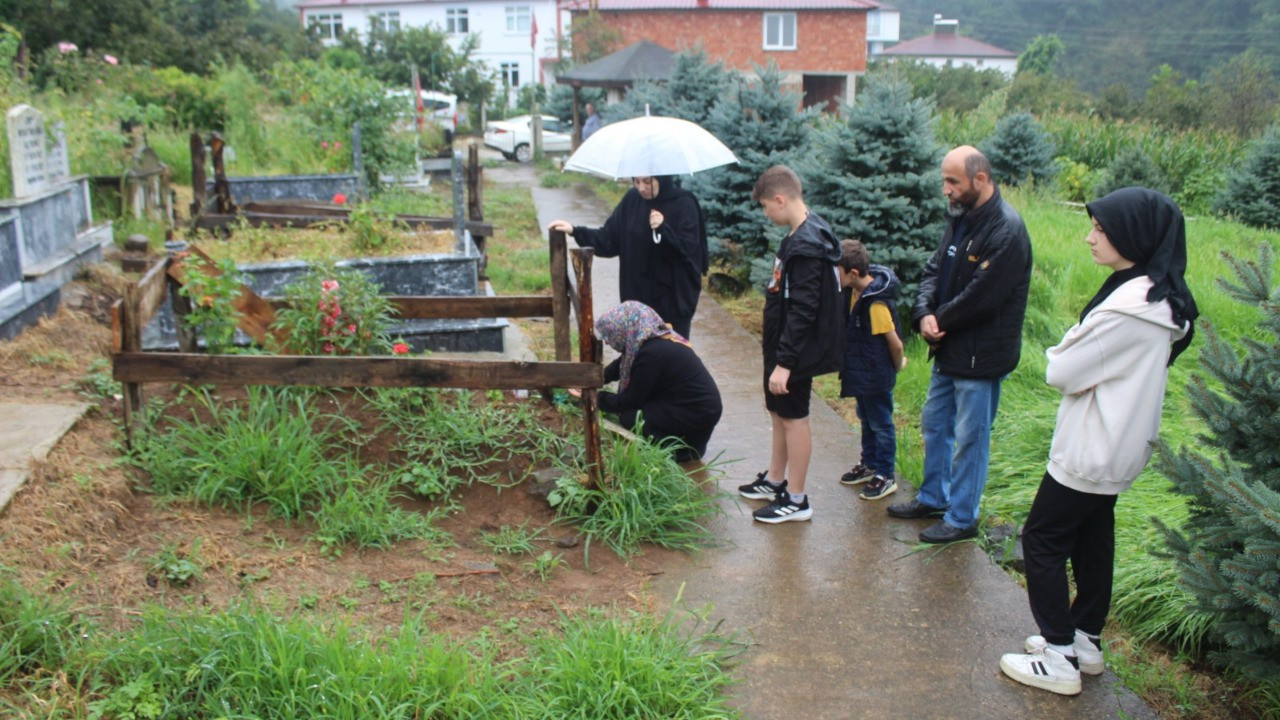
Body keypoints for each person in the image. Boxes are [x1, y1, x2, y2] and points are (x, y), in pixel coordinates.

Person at [998, 187, 1198, 696]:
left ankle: (1059, 655)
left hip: (1092, 446)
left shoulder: (1127, 310)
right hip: (1123, 443)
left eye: (1101, 229)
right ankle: (1085, 640)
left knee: (1041, 539)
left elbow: (1060, 370)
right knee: (1092, 536)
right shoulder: (1160, 301)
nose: (1090, 238)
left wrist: (1066, 344)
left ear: (1134, 235)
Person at [886, 146, 1032, 544]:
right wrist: (923, 315)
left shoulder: (1006, 230)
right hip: (948, 350)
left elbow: (982, 295)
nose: (945, 190)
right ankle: (934, 497)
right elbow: (934, 270)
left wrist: (939, 320)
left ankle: (963, 516)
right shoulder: (960, 219)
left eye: (953, 181)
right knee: (935, 425)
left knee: (971, 438)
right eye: (944, 181)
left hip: (981, 357)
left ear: (980, 180)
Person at [736, 165, 843, 524]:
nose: (766, 213)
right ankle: (776, 479)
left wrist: (785, 362)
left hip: (793, 351)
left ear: (780, 199)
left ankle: (796, 499)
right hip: (781, 345)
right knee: (779, 413)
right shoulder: (801, 234)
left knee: (795, 418)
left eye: (767, 206)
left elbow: (804, 310)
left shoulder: (808, 245)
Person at [549, 175, 706, 338]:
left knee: (672, 356)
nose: (641, 188)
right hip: (638, 297)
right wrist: (575, 231)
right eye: (636, 182)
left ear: (662, 178)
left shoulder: (684, 203)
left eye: (647, 182)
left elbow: (687, 249)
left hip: (672, 301)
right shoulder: (632, 200)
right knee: (639, 356)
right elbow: (609, 239)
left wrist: (663, 229)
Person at [591, 301, 722, 462]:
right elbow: (620, 365)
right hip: (703, 409)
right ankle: (689, 448)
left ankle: (671, 450)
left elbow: (631, 401)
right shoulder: (653, 339)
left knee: (631, 416)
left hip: (696, 413)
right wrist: (593, 379)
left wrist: (596, 399)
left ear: (624, 331)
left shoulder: (650, 355)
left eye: (610, 335)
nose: (608, 342)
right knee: (645, 405)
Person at [835, 239, 907, 502]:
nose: (835, 276)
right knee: (866, 417)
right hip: (862, 372)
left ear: (853, 273)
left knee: (881, 423)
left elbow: (895, 343)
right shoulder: (855, 293)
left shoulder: (875, 304)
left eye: (837, 271)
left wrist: (898, 366)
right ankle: (869, 465)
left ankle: (886, 474)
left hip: (876, 374)